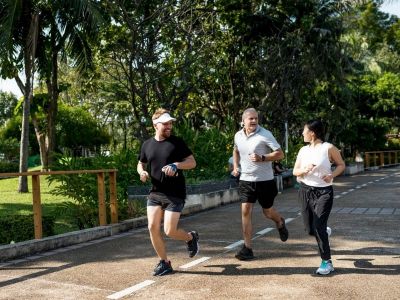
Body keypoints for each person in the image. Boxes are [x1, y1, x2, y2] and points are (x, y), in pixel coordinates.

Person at [137, 108, 199, 276]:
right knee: (152, 227)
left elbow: (192, 162)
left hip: (175, 193)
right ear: (155, 125)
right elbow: (141, 163)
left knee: (169, 231)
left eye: (170, 123)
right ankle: (164, 262)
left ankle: (190, 238)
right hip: (155, 192)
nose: (169, 126)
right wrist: (142, 172)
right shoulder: (147, 145)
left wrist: (176, 165)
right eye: (165, 124)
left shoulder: (177, 142)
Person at [232, 108, 289, 260]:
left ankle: (279, 221)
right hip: (246, 180)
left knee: (267, 212)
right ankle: (247, 248)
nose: (254, 121)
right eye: (250, 119)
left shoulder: (265, 134)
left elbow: (280, 153)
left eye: (256, 118)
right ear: (243, 120)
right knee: (245, 211)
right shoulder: (238, 135)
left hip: (265, 181)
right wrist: (236, 167)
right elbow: (236, 150)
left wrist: (262, 157)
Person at [293, 119, 345, 275]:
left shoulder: (328, 148)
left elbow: (341, 164)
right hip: (305, 191)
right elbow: (295, 171)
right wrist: (304, 170)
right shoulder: (303, 150)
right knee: (310, 229)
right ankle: (323, 230)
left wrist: (331, 175)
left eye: (304, 130)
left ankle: (326, 262)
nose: (302, 133)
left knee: (318, 227)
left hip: (323, 193)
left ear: (312, 133)